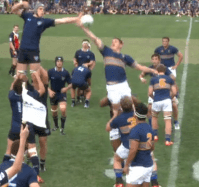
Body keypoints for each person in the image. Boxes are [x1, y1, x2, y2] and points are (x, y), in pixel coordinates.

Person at [76, 20, 156, 151]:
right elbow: (95, 39)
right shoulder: (106, 51)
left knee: (132, 105)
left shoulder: (125, 57)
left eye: (116, 41)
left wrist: (152, 70)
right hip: (111, 87)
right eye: (112, 41)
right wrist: (84, 28)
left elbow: (139, 66)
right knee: (116, 110)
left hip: (123, 85)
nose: (113, 42)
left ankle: (143, 126)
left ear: (121, 44)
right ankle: (118, 133)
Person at [10, 0, 80, 78]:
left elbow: (62, 21)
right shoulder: (28, 16)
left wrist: (76, 19)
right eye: (40, 9)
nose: (42, 11)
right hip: (22, 50)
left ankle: (35, 89)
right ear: (35, 10)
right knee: (20, 77)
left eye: (43, 9)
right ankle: (23, 89)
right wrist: (21, 4)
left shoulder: (44, 22)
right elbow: (13, 10)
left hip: (33, 51)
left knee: (35, 77)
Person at [123, 103, 154, 187]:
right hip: (148, 164)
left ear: (136, 115)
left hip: (138, 166)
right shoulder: (149, 128)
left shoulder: (135, 130)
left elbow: (133, 149)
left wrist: (126, 164)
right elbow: (152, 147)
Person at [154, 37, 183, 129]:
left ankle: (176, 121)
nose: (164, 43)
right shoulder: (158, 49)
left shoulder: (173, 48)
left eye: (166, 41)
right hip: (162, 70)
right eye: (163, 41)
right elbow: (155, 58)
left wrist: (176, 65)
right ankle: (154, 125)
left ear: (168, 42)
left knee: (172, 83)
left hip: (170, 69)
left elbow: (180, 55)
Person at [148, 64, 177, 146]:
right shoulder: (169, 79)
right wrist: (170, 98)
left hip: (156, 100)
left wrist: (153, 98)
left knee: (154, 117)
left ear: (157, 70)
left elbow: (150, 92)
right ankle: (167, 140)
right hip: (167, 101)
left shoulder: (153, 79)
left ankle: (155, 136)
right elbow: (174, 92)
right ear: (165, 71)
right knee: (167, 120)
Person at [48, 57, 71, 135]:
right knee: (54, 112)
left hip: (61, 94)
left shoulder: (65, 72)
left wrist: (66, 88)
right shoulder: (50, 71)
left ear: (62, 63)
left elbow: (71, 84)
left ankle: (62, 128)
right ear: (55, 62)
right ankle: (56, 126)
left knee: (63, 109)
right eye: (57, 61)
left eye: (60, 61)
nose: (59, 63)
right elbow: (45, 83)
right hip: (53, 94)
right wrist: (49, 90)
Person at [73, 39, 96, 104]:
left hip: (86, 72)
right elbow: (75, 59)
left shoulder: (90, 53)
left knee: (87, 84)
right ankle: (79, 97)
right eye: (84, 43)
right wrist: (75, 63)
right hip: (79, 71)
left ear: (88, 45)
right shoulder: (78, 52)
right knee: (79, 84)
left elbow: (92, 62)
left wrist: (87, 64)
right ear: (82, 44)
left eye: (86, 43)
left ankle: (85, 97)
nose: (85, 44)